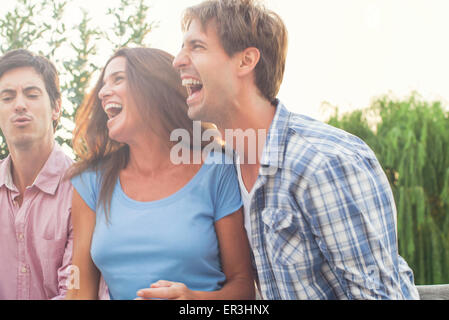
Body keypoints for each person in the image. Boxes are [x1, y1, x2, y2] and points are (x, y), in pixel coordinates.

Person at [172, 0, 420, 300]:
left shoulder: (324, 162)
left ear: (245, 60)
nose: (177, 61)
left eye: (196, 46)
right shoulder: (227, 167)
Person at [66, 47, 254, 300]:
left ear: (154, 87)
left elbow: (243, 287)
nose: (102, 92)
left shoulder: (217, 170)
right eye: (103, 83)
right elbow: (79, 291)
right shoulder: (90, 182)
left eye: (118, 79)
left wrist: (193, 300)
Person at [0, 49, 73, 299]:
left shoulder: (83, 189)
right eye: (7, 97)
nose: (19, 105)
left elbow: (75, 292)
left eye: (31, 95)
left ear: (56, 108)